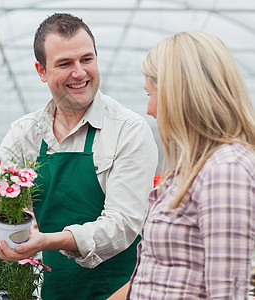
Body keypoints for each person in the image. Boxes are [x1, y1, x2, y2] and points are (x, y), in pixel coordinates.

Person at [0, 13, 158, 299]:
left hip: (119, 288)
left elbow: (122, 225)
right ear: (41, 71)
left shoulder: (127, 130)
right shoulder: (26, 133)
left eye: (87, 59)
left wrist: (47, 242)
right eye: (65, 63)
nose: (79, 72)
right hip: (53, 289)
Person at [109, 31, 255, 299]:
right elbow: (158, 274)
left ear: (178, 96)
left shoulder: (226, 169)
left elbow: (226, 293)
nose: (150, 109)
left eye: (150, 95)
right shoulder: (193, 166)